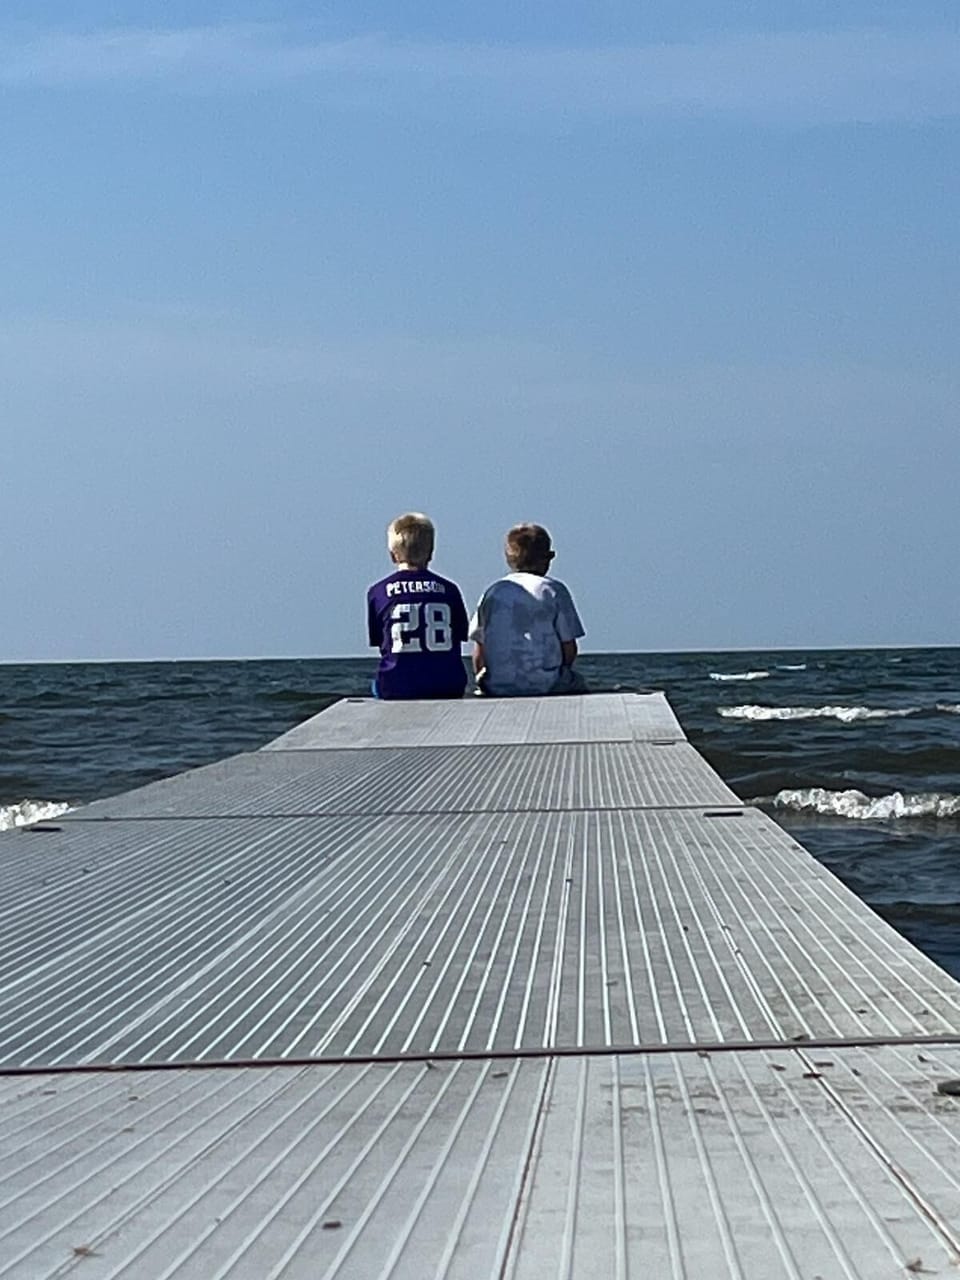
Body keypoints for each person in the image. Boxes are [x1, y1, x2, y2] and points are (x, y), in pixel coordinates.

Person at [470, 523, 586, 697]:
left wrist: (483, 678)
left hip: (498, 686)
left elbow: (480, 649)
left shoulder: (493, 592)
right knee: (577, 682)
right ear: (544, 559)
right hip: (547, 684)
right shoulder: (554, 590)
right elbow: (569, 647)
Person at [367, 512, 469, 700]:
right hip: (447, 684)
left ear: (393, 555)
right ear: (431, 553)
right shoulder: (449, 590)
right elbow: (460, 634)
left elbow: (380, 641)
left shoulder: (378, 592)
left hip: (395, 685)